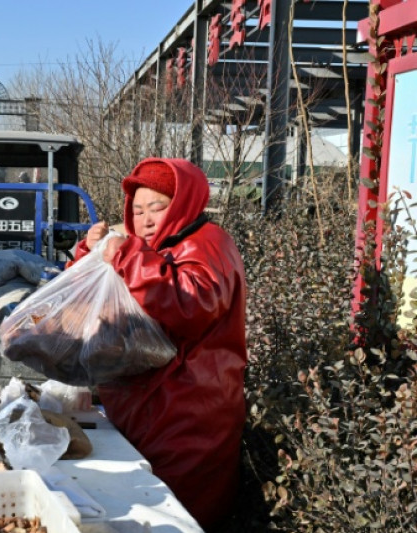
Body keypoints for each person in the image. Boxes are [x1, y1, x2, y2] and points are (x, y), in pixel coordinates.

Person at [69, 158, 247, 530]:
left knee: (177, 514)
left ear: (182, 205)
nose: (145, 219)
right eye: (137, 210)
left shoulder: (208, 244)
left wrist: (126, 254)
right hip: (145, 405)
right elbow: (93, 297)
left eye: (157, 207)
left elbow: (190, 304)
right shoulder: (154, 245)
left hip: (189, 413)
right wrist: (90, 254)